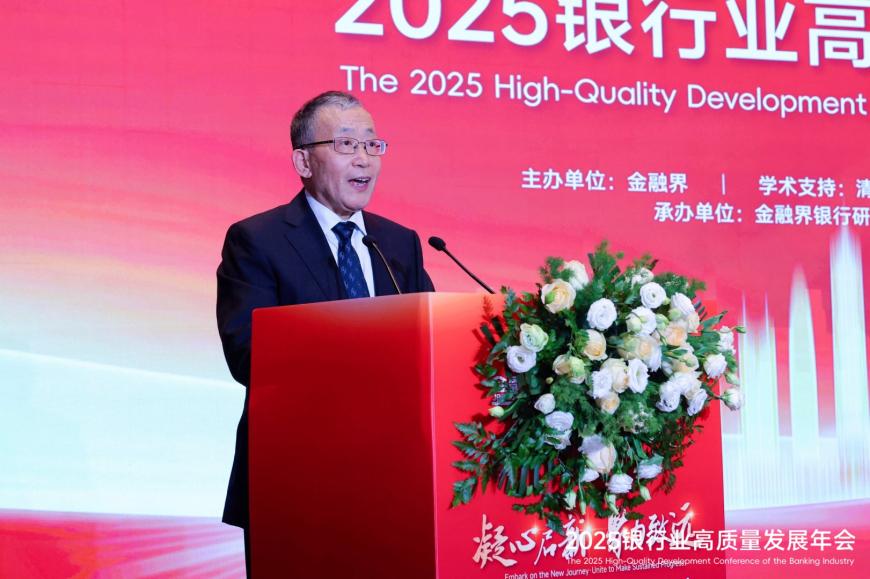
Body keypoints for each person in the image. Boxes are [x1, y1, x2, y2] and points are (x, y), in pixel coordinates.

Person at [215, 91, 434, 576]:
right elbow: (247, 353)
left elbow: (432, 340)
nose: (364, 158)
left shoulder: (399, 243)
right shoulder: (257, 240)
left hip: (395, 478)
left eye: (372, 145)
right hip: (297, 479)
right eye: (346, 144)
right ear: (303, 161)